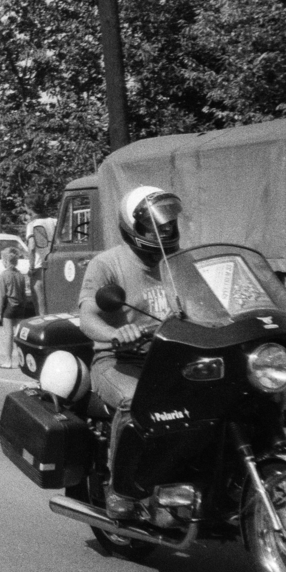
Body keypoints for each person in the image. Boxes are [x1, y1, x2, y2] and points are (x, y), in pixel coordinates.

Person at [78, 185, 183, 519]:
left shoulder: (181, 264)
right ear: (134, 226)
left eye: (168, 223)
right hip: (119, 361)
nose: (165, 230)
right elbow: (87, 317)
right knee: (136, 402)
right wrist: (114, 334)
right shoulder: (106, 264)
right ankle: (120, 490)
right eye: (156, 224)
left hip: (171, 361)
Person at [0, 247, 31, 368]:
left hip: (9, 307)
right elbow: (24, 294)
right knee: (19, 335)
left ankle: (8, 361)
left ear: (6, 261)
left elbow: (2, 295)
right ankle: (22, 360)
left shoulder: (4, 275)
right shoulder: (20, 275)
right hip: (20, 307)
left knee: (9, 335)